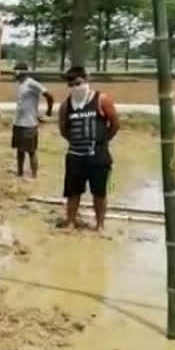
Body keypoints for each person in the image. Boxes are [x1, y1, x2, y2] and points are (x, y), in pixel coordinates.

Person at [58, 66, 120, 231]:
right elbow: (63, 130)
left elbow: (115, 124)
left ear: (86, 80)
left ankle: (100, 225)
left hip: (98, 155)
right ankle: (70, 222)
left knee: (99, 193)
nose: (75, 87)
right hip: (75, 156)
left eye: (78, 83)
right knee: (72, 192)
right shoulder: (66, 106)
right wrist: (77, 142)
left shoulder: (102, 100)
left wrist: (102, 141)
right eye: (71, 84)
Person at [12, 62, 54, 178]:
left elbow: (49, 96)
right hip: (18, 122)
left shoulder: (31, 83)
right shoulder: (19, 84)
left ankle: (34, 175)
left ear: (22, 71)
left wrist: (49, 112)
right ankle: (19, 173)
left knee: (31, 151)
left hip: (29, 123)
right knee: (19, 150)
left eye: (16, 70)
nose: (14, 73)